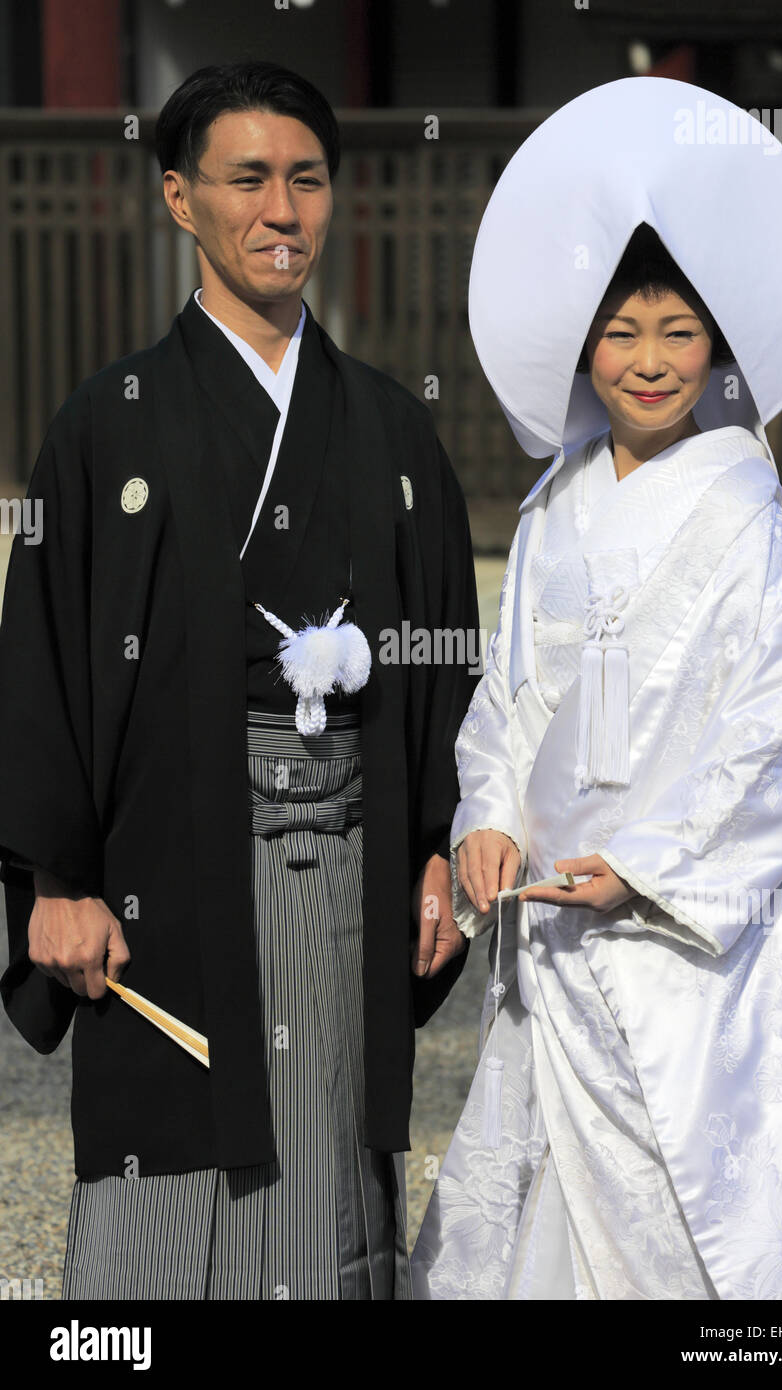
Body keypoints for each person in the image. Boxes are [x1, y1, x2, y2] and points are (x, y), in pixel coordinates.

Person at [0, 60, 478, 1300]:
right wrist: (54, 879)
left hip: (350, 851)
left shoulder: (387, 429)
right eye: (248, 179)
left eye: (307, 180)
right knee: (169, 1144)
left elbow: (444, 651)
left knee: (323, 1136)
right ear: (179, 197)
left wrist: (436, 840)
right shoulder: (109, 423)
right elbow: (44, 648)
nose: (282, 211)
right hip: (171, 858)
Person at [410, 76, 782, 1301]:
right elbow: (504, 700)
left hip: (695, 961)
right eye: (619, 332)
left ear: (713, 342)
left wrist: (649, 866)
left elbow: (779, 748)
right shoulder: (553, 513)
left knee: (702, 1244)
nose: (649, 362)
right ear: (582, 346)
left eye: (675, 331)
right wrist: (491, 815)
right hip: (558, 938)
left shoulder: (764, 547)